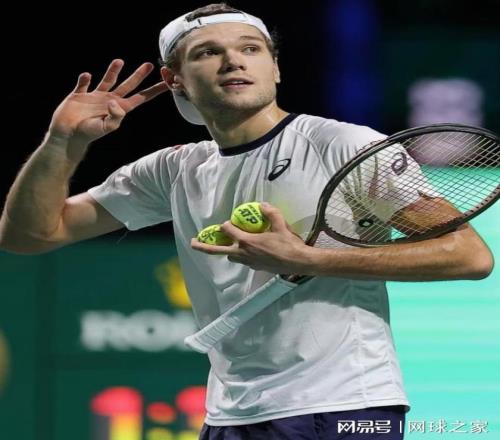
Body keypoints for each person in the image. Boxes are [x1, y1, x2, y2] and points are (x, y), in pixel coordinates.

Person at [0, 3, 494, 439]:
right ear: (174, 80)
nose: (233, 61)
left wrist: (308, 259)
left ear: (275, 68)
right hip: (231, 414)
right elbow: (31, 234)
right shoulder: (175, 169)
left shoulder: (342, 145)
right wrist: (63, 143)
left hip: (341, 406)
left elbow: (468, 255)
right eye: (207, 52)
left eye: (250, 49)